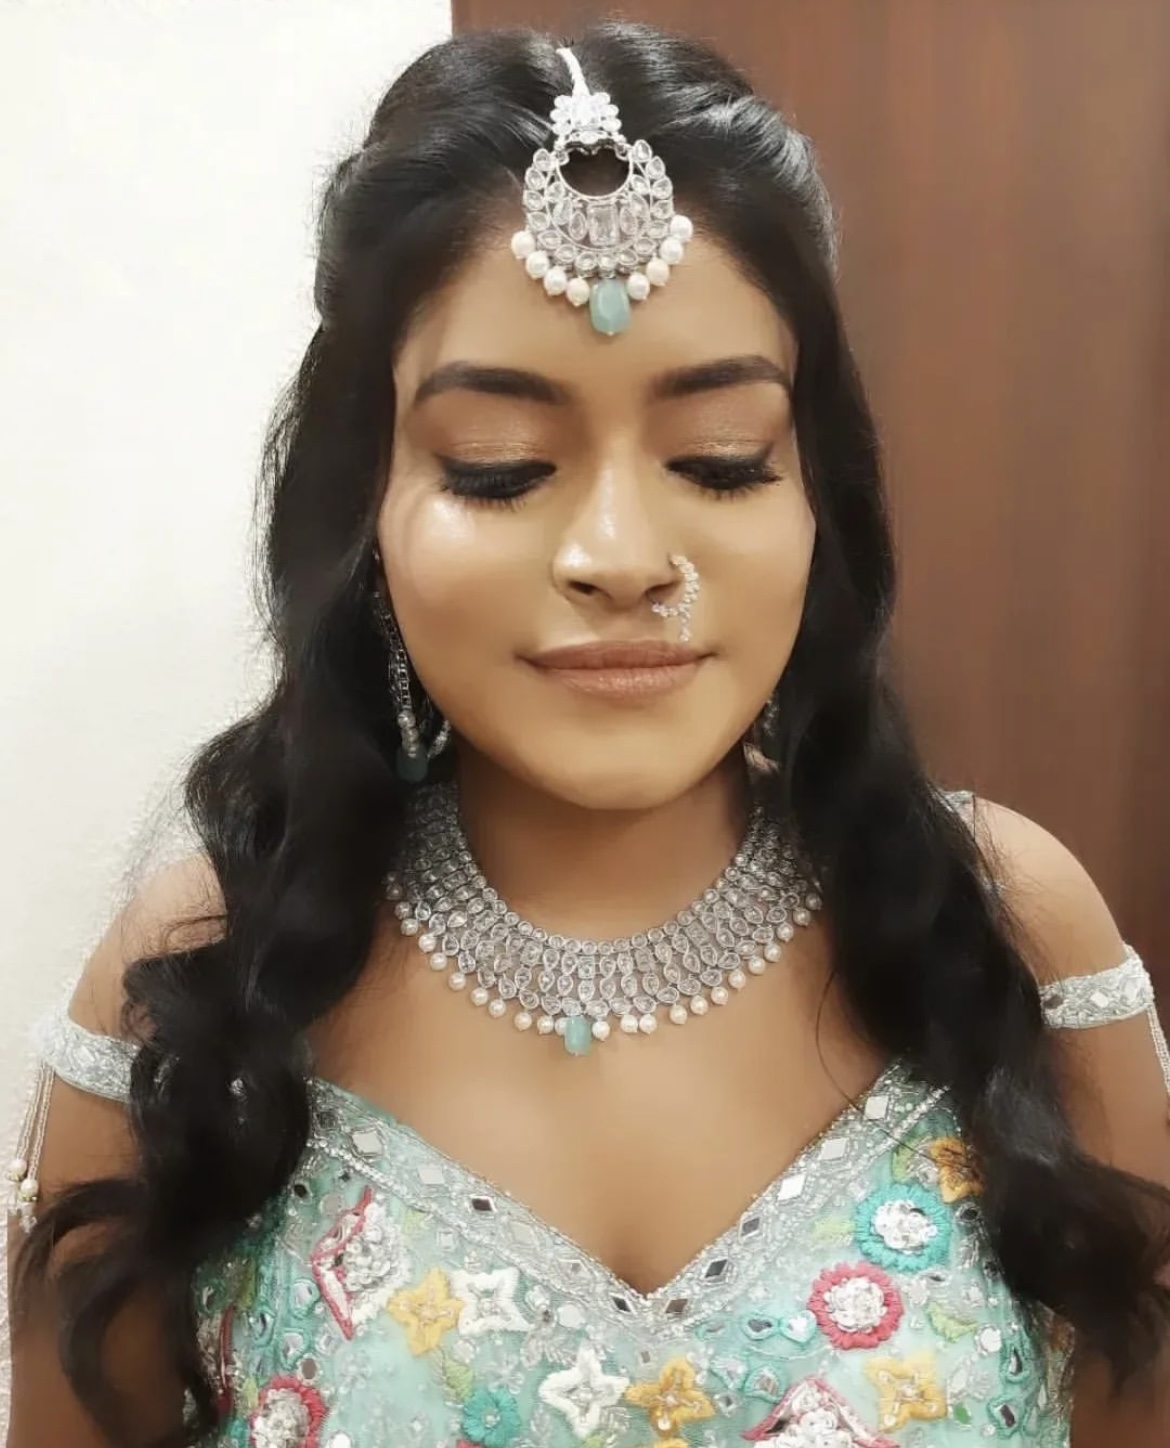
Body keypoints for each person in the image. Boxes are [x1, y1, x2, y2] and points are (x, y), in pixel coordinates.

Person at [4, 20, 1169, 1448]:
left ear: (820, 491)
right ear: (361, 500)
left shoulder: (1004, 931)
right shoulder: (205, 977)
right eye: (499, 471)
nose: (620, 555)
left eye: (719, 462)